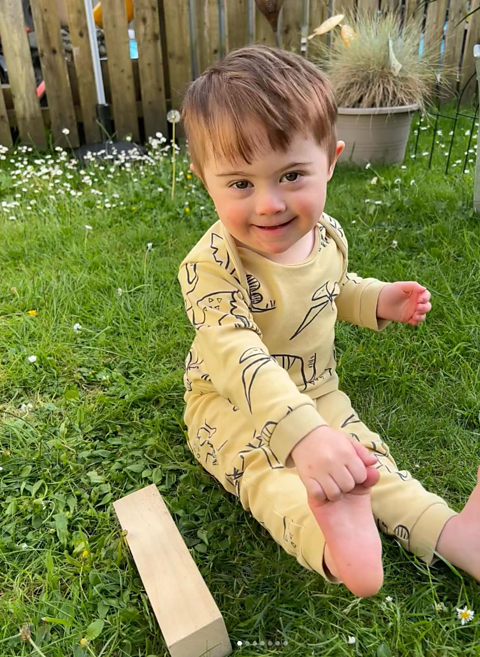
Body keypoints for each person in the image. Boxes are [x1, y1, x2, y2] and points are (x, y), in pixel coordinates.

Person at [177, 45, 480, 597]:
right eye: (240, 184)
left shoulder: (325, 235)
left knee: (366, 462)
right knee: (270, 476)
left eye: (291, 175)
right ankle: (335, 545)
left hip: (320, 391)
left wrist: (378, 299)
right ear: (204, 179)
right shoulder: (211, 267)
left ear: (332, 161)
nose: (269, 203)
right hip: (227, 406)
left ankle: (455, 533)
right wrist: (303, 437)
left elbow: (331, 288)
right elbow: (234, 352)